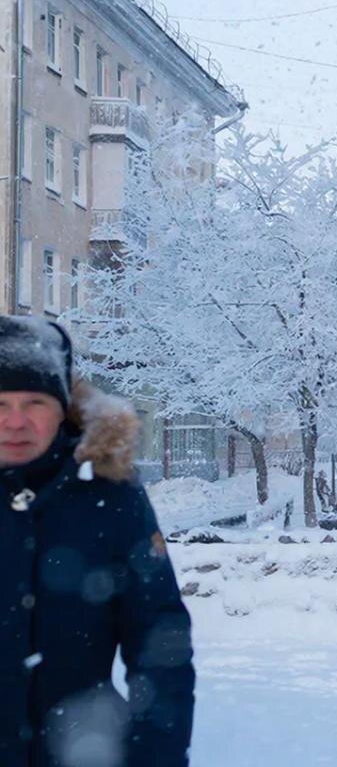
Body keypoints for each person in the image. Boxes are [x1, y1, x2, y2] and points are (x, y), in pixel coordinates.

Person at [0, 316, 195, 766]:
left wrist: (156, 756)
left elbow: (160, 644)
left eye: (34, 402)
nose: (15, 421)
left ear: (63, 407)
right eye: (1, 403)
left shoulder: (111, 497)